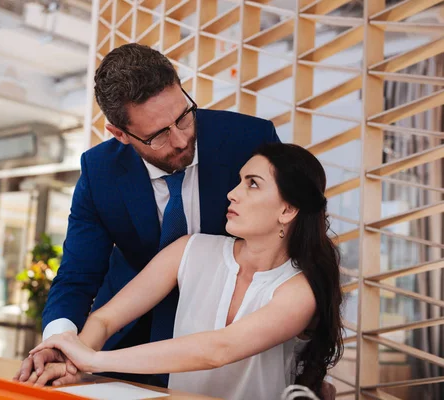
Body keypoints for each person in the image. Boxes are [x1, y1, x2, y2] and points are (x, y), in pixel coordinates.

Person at [14, 43, 280, 387]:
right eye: (158, 136)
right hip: (125, 339)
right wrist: (61, 340)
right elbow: (78, 274)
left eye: (183, 116)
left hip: (229, 335)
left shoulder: (249, 140)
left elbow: (295, 238)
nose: (182, 139)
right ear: (120, 134)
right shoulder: (100, 172)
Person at [30, 143, 344, 400]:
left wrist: (93, 361)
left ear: (287, 210)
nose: (232, 193)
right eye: (239, 180)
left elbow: (219, 350)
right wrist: (72, 361)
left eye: (252, 184)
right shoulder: (190, 249)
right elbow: (105, 318)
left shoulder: (299, 290)